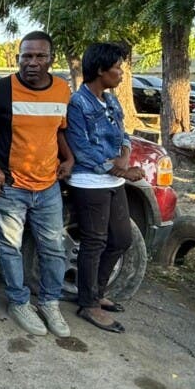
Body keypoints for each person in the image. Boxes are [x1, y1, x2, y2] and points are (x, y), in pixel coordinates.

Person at [0, 31, 75, 338]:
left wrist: (68, 158)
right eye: (26, 56)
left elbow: (58, 130)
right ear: (18, 58)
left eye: (39, 56)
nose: (32, 63)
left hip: (48, 187)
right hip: (10, 186)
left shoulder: (61, 90)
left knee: (53, 249)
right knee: (9, 249)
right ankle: (19, 302)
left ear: (51, 59)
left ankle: (49, 303)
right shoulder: (3, 90)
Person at [64, 42, 143, 334]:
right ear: (100, 70)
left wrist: (123, 154)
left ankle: (96, 292)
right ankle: (89, 303)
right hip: (90, 182)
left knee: (121, 239)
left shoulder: (111, 101)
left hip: (113, 180)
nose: (121, 73)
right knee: (94, 242)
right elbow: (81, 149)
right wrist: (118, 168)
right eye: (117, 68)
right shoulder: (78, 103)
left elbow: (123, 133)